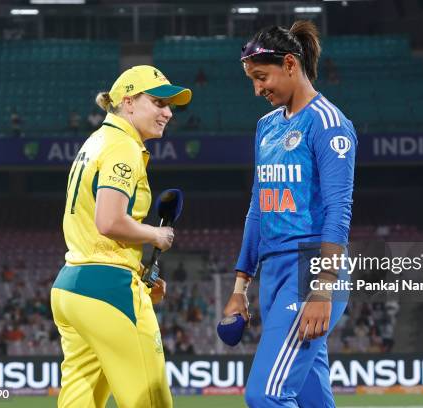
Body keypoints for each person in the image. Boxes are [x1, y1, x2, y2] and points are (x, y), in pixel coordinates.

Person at [223, 21, 357, 407]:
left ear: (290, 64)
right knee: (313, 398)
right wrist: (239, 288)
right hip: (274, 273)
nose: (258, 89)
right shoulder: (265, 127)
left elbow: (338, 209)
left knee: (266, 396)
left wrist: (323, 286)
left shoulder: (329, 125)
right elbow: (257, 207)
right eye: (252, 80)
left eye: (262, 77)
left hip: (310, 270)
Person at [50, 65, 191, 408]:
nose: (168, 112)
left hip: (70, 288)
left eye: (170, 105)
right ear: (129, 102)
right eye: (158, 103)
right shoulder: (123, 147)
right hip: (108, 290)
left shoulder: (95, 141)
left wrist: (138, 269)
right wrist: (156, 235)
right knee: (151, 399)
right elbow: (109, 221)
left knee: (79, 401)